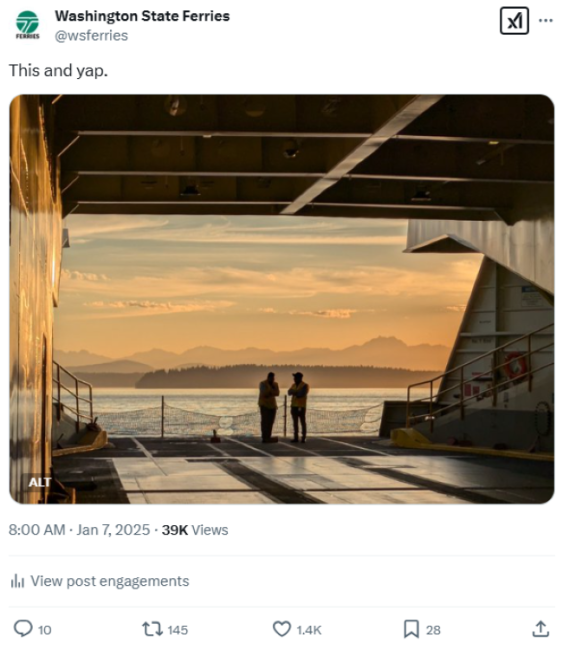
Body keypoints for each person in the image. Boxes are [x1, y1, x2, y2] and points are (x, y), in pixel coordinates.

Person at [288, 371, 309, 443]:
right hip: (293, 406)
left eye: (295, 377)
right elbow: (289, 392)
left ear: (299, 378)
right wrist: (295, 392)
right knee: (295, 423)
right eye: (294, 377)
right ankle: (296, 437)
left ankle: (303, 437)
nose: (294, 379)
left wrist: (294, 392)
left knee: (302, 422)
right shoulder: (293, 385)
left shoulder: (305, 385)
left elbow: (301, 394)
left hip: (301, 407)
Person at [258, 372, 280, 443]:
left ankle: (268, 436)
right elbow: (264, 393)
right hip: (264, 405)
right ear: (268, 377)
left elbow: (277, 393)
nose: (272, 379)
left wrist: (270, 392)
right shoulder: (263, 384)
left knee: (271, 422)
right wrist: (271, 391)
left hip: (272, 406)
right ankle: (264, 437)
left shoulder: (275, 384)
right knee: (265, 422)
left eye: (273, 378)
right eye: (271, 378)